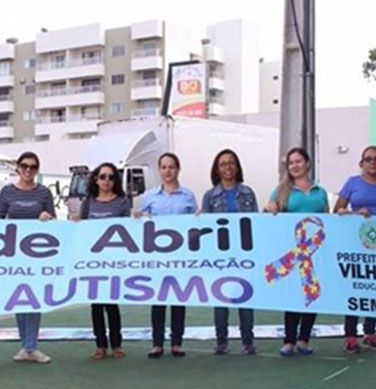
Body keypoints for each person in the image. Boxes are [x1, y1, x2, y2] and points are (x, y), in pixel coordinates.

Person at [334, 145, 376, 354]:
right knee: (355, 286)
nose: (373, 163)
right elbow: (338, 209)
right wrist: (353, 214)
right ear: (361, 163)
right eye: (368, 159)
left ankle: (370, 332)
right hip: (357, 242)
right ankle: (351, 336)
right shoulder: (352, 182)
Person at [264, 147, 329, 357]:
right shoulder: (282, 190)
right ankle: (289, 340)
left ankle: (304, 339)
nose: (294, 166)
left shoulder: (321, 191)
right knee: (293, 294)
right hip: (292, 250)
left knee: (312, 291)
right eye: (291, 163)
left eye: (298, 161)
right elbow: (268, 213)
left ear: (307, 163)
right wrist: (269, 208)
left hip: (315, 250)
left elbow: (327, 218)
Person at [0, 151, 55, 364]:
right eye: (24, 166)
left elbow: (54, 221)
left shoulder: (44, 193)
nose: (28, 170)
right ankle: (25, 346)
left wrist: (46, 217)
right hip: (14, 254)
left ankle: (32, 346)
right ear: (18, 168)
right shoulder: (7, 192)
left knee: (34, 299)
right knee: (19, 299)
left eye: (32, 167)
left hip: (38, 254)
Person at [138, 152, 197, 358]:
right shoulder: (150, 196)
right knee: (158, 299)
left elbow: (195, 224)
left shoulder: (188, 196)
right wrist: (137, 216)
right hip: (158, 256)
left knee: (179, 298)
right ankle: (157, 343)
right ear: (159, 170)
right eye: (164, 167)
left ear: (177, 169)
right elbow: (140, 222)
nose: (168, 171)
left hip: (181, 255)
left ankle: (177, 342)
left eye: (171, 167)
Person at [71, 163, 132, 360]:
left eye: (111, 177)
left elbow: (128, 231)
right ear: (96, 179)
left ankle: (116, 344)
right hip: (93, 261)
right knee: (96, 305)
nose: (106, 181)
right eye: (103, 176)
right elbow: (83, 230)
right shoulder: (88, 202)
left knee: (112, 304)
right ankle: (100, 345)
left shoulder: (122, 202)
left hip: (114, 261)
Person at [201, 149, 259, 355]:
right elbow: (205, 229)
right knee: (220, 298)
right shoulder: (210, 196)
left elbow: (255, 223)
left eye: (231, 163)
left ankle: (248, 341)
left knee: (246, 298)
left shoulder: (248, 193)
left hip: (243, 252)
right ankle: (221, 341)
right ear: (217, 169)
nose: (227, 167)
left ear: (237, 167)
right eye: (223, 164)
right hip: (220, 254)